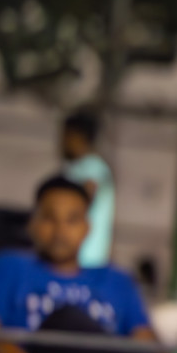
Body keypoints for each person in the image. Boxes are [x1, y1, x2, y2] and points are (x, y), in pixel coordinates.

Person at [0, 176, 156, 353]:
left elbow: (146, 343)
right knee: (66, 320)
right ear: (33, 224)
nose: (60, 231)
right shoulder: (9, 267)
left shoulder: (118, 281)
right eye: (49, 218)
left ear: (87, 228)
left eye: (72, 220)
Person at [59, 109, 115, 269]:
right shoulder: (78, 167)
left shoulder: (91, 168)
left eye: (66, 136)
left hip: (84, 257)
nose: (62, 142)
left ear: (78, 136)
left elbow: (78, 206)